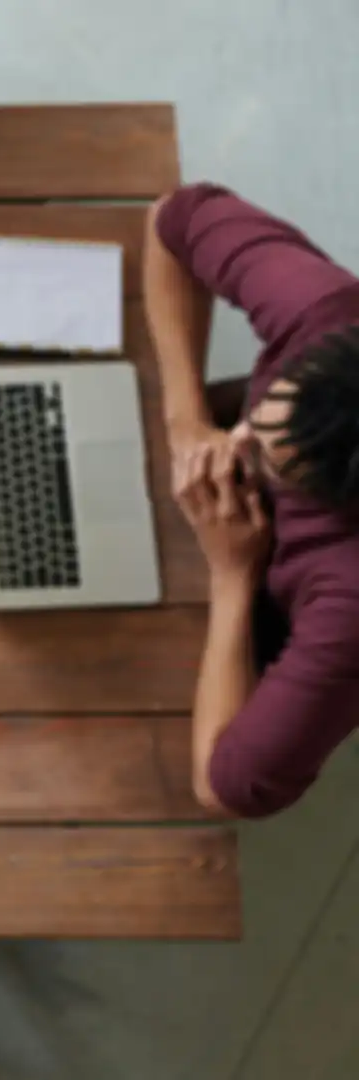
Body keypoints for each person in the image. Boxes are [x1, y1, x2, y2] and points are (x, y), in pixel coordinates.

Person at [143, 183, 359, 819]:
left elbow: (227, 786)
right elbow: (171, 218)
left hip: (252, 591)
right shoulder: (328, 311)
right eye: (260, 418)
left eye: (267, 461)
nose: (236, 443)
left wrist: (233, 575)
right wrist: (186, 419)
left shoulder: (350, 597)